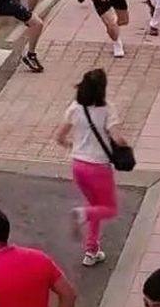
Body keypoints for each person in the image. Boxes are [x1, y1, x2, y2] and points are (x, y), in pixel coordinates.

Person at [53, 69, 126, 266]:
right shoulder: (108, 109)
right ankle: (80, 214)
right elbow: (117, 137)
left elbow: (59, 137)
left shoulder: (75, 108)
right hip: (99, 168)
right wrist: (125, 147)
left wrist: (73, 147)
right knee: (109, 209)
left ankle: (91, 250)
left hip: (78, 166)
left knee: (96, 207)